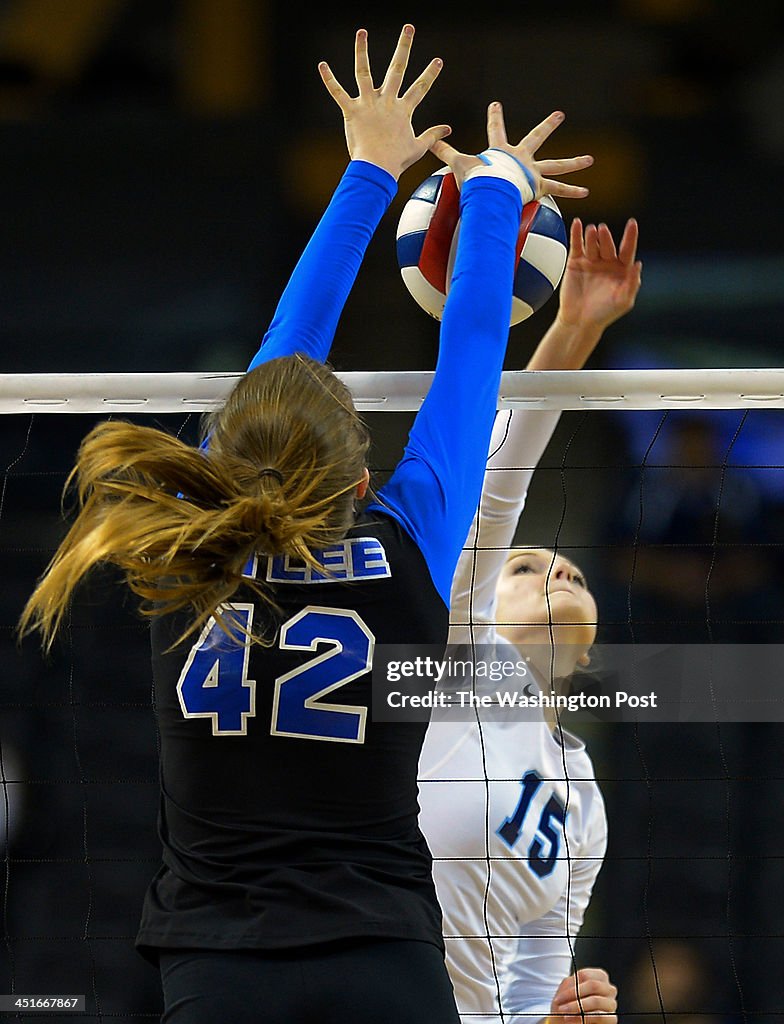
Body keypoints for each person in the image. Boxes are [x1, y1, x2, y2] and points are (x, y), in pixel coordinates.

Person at [17, 23, 593, 1024]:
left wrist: (386, 172)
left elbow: (292, 360)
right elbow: (470, 366)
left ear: (226, 455)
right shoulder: (401, 543)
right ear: (364, 475)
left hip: (218, 961)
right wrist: (494, 189)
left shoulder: (188, 546)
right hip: (382, 955)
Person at [418, 215, 642, 1023]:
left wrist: (560, 1018)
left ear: (585, 659)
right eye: (523, 565)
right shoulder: (453, 660)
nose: (553, 565)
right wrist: (573, 330)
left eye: (568, 571)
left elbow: (536, 977)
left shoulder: (582, 800)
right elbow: (504, 477)